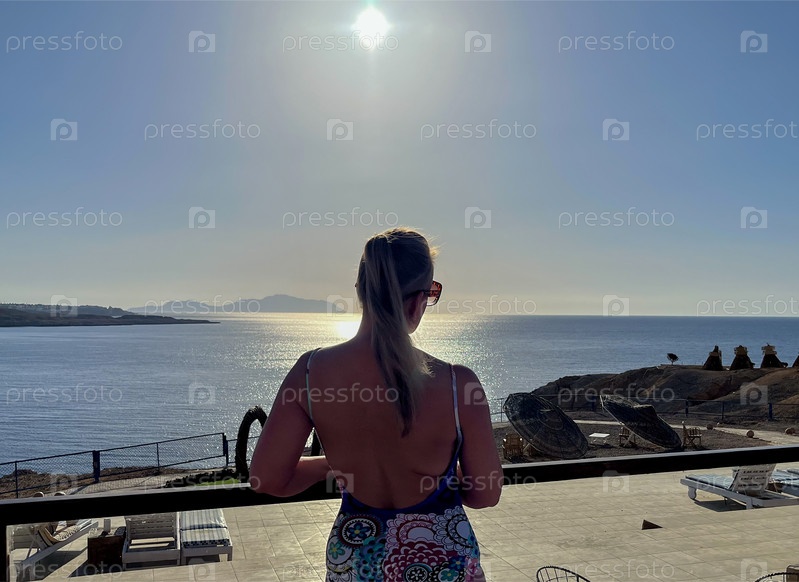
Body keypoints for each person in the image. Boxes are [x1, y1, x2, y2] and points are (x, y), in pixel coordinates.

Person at [250, 227, 503, 581]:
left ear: (361, 291)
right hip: (442, 563)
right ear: (417, 301)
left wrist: (333, 466)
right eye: (431, 293)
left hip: (356, 560)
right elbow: (486, 493)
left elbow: (266, 479)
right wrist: (438, 475)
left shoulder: (309, 373)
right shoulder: (458, 384)